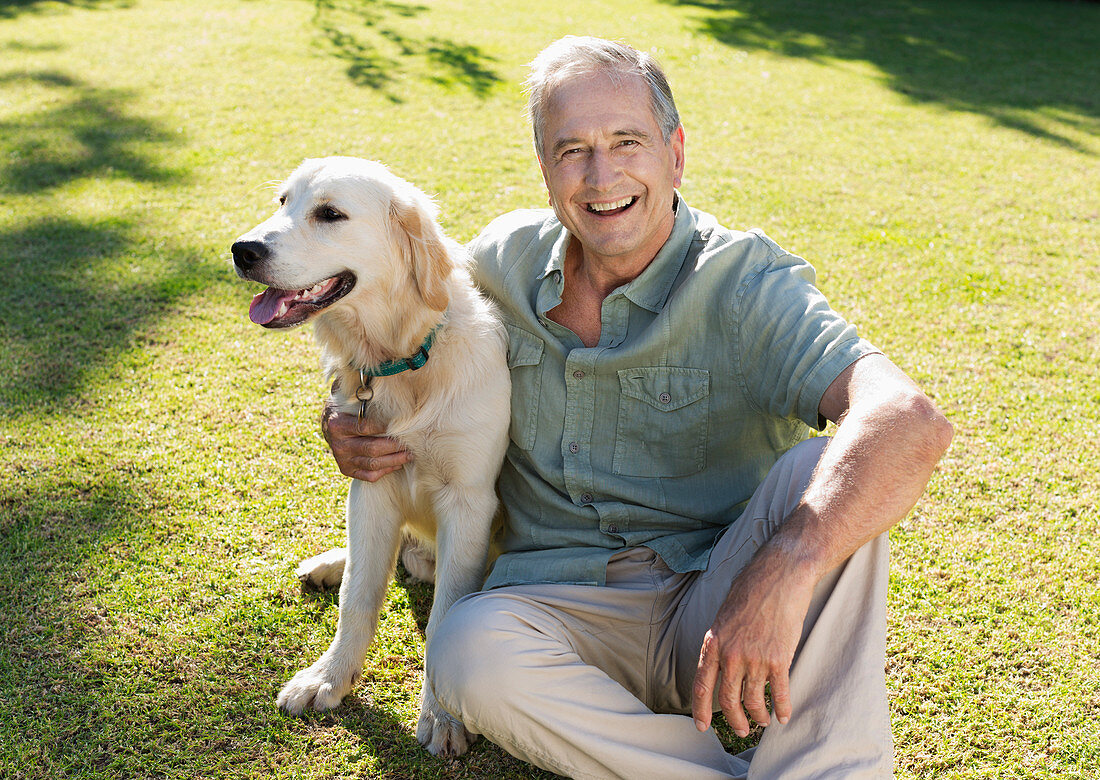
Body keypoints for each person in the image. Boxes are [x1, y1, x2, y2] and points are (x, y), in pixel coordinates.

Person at [322, 36, 953, 779]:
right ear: (545, 169)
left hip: (717, 607)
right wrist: (340, 412)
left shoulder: (747, 281)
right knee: (465, 649)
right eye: (572, 151)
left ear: (675, 152)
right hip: (555, 615)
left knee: (833, 467)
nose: (602, 175)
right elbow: (394, 322)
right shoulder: (499, 263)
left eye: (628, 142)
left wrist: (786, 565)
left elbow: (909, 419)